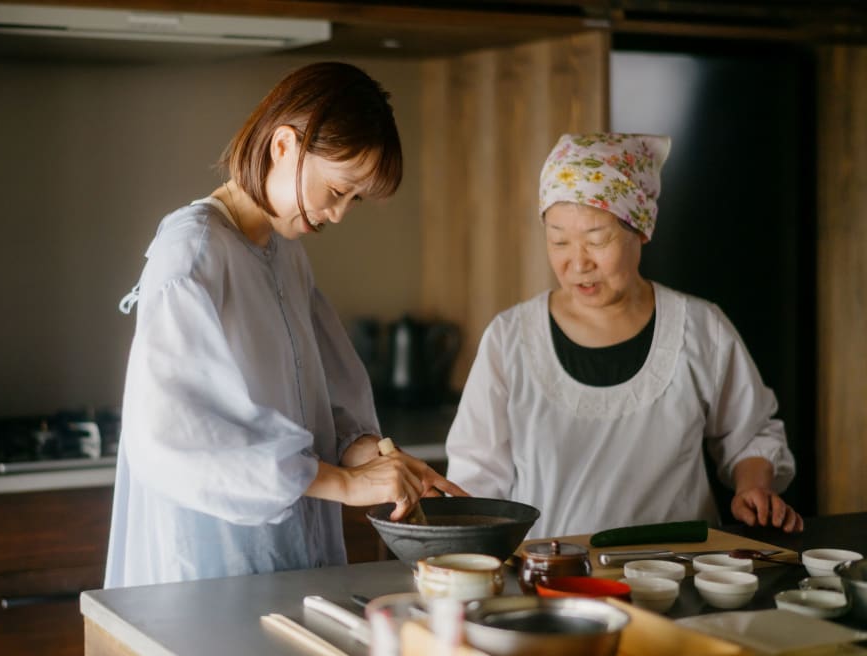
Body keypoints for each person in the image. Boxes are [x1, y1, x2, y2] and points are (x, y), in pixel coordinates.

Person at [105, 62, 465, 588]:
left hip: (289, 560)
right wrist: (343, 484)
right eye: (337, 189)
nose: (339, 214)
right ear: (283, 147)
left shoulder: (286, 255)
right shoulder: (193, 252)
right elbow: (173, 436)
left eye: (353, 199)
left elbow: (321, 395)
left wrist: (366, 453)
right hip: (211, 567)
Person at [445, 132, 802, 540]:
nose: (577, 262)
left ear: (642, 229)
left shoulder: (701, 328)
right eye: (559, 239)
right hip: (552, 583)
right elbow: (475, 480)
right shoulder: (509, 339)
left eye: (597, 240)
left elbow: (752, 433)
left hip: (679, 575)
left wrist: (752, 486)